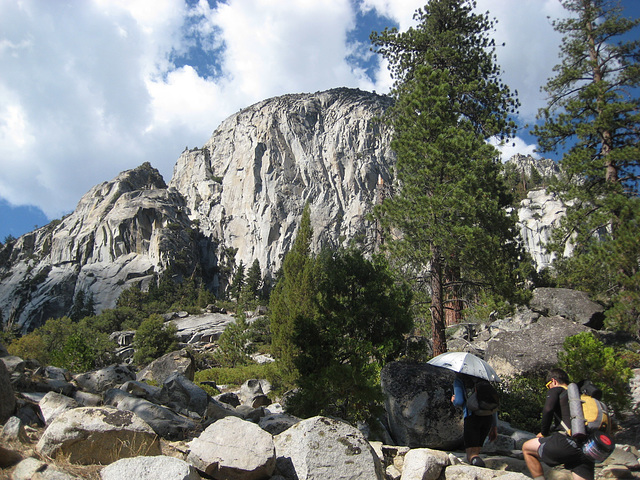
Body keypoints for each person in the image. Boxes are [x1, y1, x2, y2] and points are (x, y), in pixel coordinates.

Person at [522, 368, 594, 480]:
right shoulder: (582, 395)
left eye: (548, 385)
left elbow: (548, 409)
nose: (549, 388)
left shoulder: (557, 390)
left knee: (526, 448)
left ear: (554, 381)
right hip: (588, 447)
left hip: (566, 442)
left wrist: (544, 432)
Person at [451, 372, 498, 467]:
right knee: (476, 452)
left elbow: (459, 401)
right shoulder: (484, 380)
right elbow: (494, 406)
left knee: (471, 455)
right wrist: (494, 426)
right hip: (488, 418)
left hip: (472, 417)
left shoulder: (460, 380)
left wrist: (453, 400)